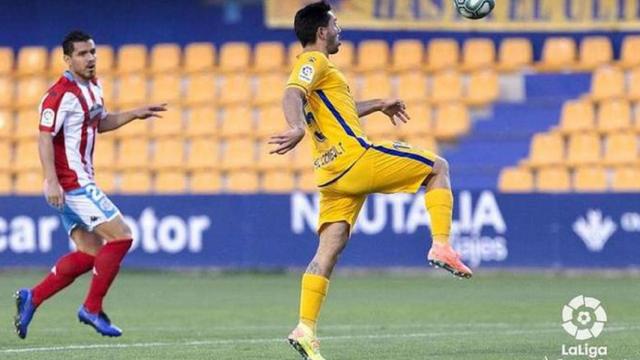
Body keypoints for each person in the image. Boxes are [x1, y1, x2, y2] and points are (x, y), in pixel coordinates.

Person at [269, 2, 473, 359]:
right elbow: (291, 93)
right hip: (354, 160)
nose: (339, 29)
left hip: (331, 176)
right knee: (437, 167)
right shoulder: (312, 62)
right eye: (335, 24)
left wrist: (378, 104)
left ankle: (305, 328)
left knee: (327, 252)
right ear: (321, 32)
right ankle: (441, 245)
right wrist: (296, 126)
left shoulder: (321, 72)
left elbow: (339, 109)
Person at [14, 30, 166, 339]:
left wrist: (133, 114)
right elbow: (44, 137)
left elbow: (101, 122)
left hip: (77, 181)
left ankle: (34, 296)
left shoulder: (94, 88)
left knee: (93, 253)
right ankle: (91, 308)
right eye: (83, 54)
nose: (91, 58)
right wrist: (52, 180)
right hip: (72, 184)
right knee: (122, 237)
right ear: (68, 60)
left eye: (93, 52)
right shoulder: (59, 95)